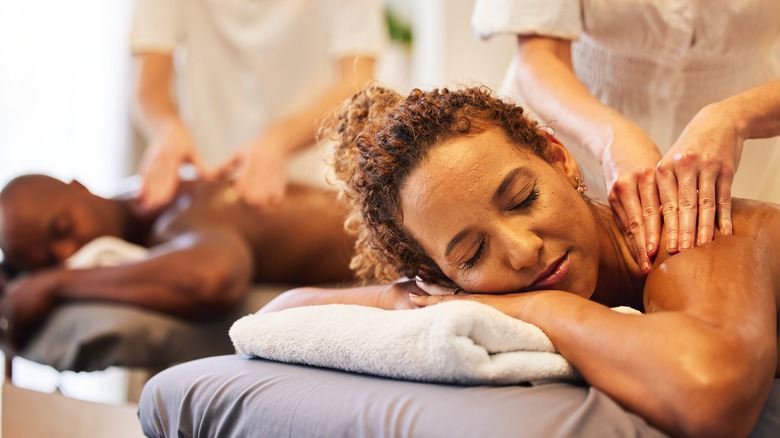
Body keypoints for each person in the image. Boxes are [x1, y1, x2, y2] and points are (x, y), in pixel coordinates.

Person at [261, 85, 780, 437]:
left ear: (559, 159)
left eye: (523, 199)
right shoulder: (444, 285)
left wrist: (536, 308)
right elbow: (281, 313)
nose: (523, 248)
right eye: (473, 252)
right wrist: (406, 299)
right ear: (445, 278)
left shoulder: (686, 230)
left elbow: (711, 392)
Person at [470, 0, 780, 273]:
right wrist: (610, 139)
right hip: (576, 119)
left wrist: (735, 117)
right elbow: (539, 54)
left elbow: (713, 339)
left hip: (747, 136)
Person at [0, 175, 356, 349]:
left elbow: (213, 278)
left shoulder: (176, 209)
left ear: (81, 188)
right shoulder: (145, 221)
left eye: (63, 228)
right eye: (48, 261)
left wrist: (55, 283)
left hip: (402, 246)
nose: (66, 254)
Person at [130, 0, 386, 209]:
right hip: (206, 175)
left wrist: (279, 141)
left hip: (311, 186)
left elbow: (358, 81)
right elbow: (149, 87)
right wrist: (168, 130)